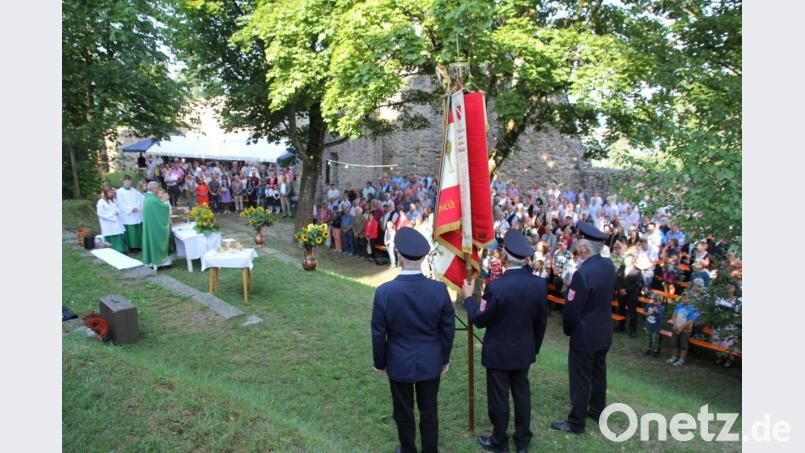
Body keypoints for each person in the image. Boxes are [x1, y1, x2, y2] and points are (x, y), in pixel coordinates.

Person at [462, 230, 549, 453]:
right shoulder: (538, 285)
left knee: (499, 397)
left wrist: (469, 299)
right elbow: (541, 323)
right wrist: (533, 348)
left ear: (504, 256)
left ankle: (499, 441)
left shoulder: (496, 287)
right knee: (521, 394)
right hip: (523, 350)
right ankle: (522, 441)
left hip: (499, 352)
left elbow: (480, 320)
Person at [371, 227, 455, 453]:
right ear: (424, 256)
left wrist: (380, 362)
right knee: (429, 411)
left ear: (398, 254)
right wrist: (444, 358)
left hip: (399, 360)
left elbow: (379, 333)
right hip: (429, 360)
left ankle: (408, 449)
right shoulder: (439, 290)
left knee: (403, 410)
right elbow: (447, 330)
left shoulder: (385, 292)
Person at [551, 221, 616, 435]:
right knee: (598, 373)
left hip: (585, 333)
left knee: (580, 378)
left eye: (579, 240)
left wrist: (569, 329)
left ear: (585, 247)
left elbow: (572, 310)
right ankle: (597, 410)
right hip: (603, 330)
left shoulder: (583, 273)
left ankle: (576, 422)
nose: (576, 243)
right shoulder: (608, 265)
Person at [666, 281, 703, 367]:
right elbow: (674, 315)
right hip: (676, 327)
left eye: (687, 298)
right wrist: (675, 324)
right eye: (683, 298)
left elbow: (690, 321)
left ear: (691, 299)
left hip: (686, 330)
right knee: (674, 343)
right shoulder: (679, 305)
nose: (685, 300)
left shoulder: (693, 308)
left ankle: (681, 359)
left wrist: (681, 327)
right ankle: (674, 356)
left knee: (683, 344)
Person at [141, 182, 173, 269]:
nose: (158, 190)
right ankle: (159, 261)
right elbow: (163, 208)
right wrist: (165, 201)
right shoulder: (152, 200)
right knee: (156, 241)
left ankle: (155, 261)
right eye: (157, 188)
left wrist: (162, 201)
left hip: (151, 225)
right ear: (153, 188)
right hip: (155, 227)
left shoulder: (148, 198)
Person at [616, 253, 644, 337]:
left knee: (632, 313)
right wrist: (620, 289)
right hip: (621, 294)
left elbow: (637, 284)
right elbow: (617, 279)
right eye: (625, 259)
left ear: (632, 261)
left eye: (628, 260)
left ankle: (632, 330)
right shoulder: (621, 268)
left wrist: (626, 291)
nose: (626, 261)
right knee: (621, 310)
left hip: (631, 295)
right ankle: (621, 326)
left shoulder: (637, 270)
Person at [116, 175, 144, 251]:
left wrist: (136, 207)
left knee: (137, 231)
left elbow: (139, 200)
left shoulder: (134, 190)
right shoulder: (120, 191)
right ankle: (131, 247)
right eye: (127, 180)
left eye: (130, 180)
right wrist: (130, 209)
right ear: (123, 181)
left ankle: (138, 246)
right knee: (130, 232)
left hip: (136, 213)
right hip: (127, 215)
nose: (129, 182)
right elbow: (121, 203)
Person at [96, 187, 127, 253]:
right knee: (111, 235)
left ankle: (121, 250)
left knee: (118, 235)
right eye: (109, 192)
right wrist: (112, 215)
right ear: (105, 193)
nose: (111, 194)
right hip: (108, 224)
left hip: (116, 222)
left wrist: (117, 212)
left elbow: (118, 208)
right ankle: (112, 251)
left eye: (112, 192)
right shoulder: (101, 202)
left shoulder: (114, 200)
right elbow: (100, 213)